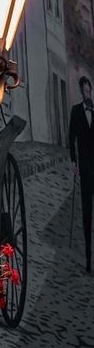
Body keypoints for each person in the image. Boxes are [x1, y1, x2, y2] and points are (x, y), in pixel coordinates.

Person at [69, 75, 94, 273]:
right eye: (84, 91)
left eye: (88, 91)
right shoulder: (76, 111)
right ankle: (88, 259)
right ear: (81, 91)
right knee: (87, 213)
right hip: (85, 169)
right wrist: (74, 162)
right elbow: (71, 138)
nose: (86, 94)